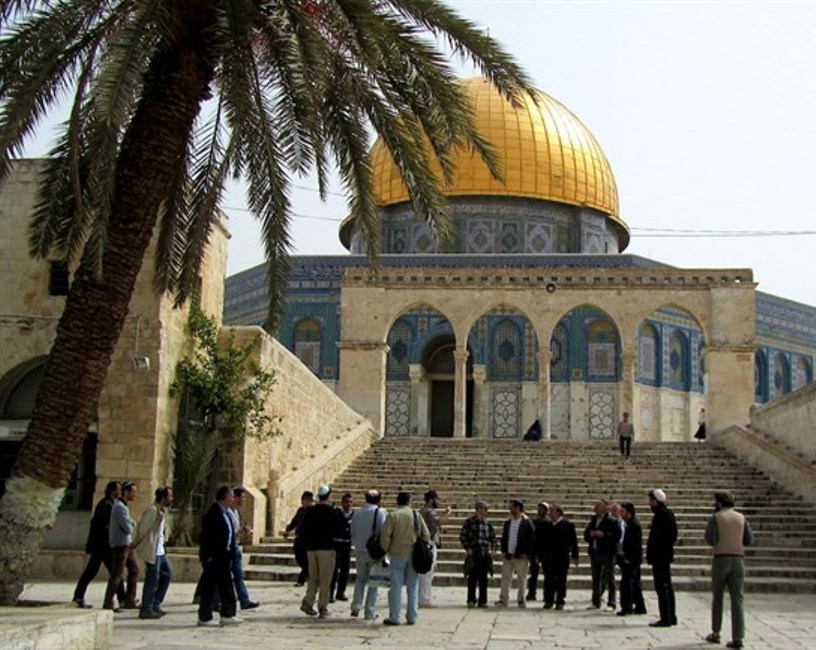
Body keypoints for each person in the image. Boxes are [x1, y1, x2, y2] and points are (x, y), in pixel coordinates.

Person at [704, 490, 755, 649]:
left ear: (719, 502)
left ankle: (716, 632)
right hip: (738, 559)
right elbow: (749, 539)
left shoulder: (716, 517)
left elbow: (711, 539)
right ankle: (738, 637)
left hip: (721, 559)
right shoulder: (741, 517)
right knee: (738, 599)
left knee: (718, 596)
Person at [72, 481, 126, 608]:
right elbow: (103, 526)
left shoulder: (111, 504)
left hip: (103, 545)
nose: (120, 492)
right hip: (102, 545)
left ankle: (122, 598)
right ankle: (121, 599)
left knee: (106, 572)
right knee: (113, 572)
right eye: (118, 489)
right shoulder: (106, 505)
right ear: (113, 491)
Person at [381, 489, 430, 625]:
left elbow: (385, 536)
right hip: (413, 554)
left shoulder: (393, 515)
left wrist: (387, 549)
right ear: (409, 501)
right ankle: (412, 616)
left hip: (397, 553)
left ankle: (395, 617)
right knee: (412, 586)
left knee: (396, 586)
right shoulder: (416, 515)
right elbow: (426, 535)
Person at [197, 486, 241, 627]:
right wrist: (208, 556)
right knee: (210, 587)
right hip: (214, 557)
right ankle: (205, 616)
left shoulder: (226, 513)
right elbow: (207, 537)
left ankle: (228, 614)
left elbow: (229, 534)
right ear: (225, 497)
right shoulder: (213, 514)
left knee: (226, 585)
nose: (233, 499)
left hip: (224, 556)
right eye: (231, 496)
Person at [298, 484, 339, 618]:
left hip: (311, 549)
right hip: (326, 548)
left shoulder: (310, 511)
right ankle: (323, 607)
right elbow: (337, 529)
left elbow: (303, 529)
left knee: (313, 578)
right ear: (328, 496)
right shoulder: (332, 511)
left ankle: (308, 602)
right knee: (325, 580)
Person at [133, 486, 173, 619]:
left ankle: (155, 603)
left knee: (166, 574)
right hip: (153, 550)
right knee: (152, 579)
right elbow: (143, 529)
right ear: (163, 497)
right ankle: (146, 608)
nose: (171, 499)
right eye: (169, 496)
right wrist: (136, 544)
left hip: (160, 550)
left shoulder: (161, 511)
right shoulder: (152, 511)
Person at [349, 489, 388, 620]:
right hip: (374, 552)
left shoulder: (358, 513)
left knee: (360, 579)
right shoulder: (380, 512)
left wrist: (357, 545)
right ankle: (370, 610)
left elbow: (352, 531)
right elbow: (383, 531)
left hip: (360, 550)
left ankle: (356, 605)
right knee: (374, 582)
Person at [103, 480, 140, 611]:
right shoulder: (119, 507)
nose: (134, 495)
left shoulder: (123, 507)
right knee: (117, 574)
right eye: (132, 492)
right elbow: (128, 528)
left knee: (134, 570)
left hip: (127, 544)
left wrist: (131, 523)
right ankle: (108, 602)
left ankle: (129, 599)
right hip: (121, 545)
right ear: (126, 492)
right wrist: (132, 524)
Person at [647, 488, 678, 628]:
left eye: (650, 500)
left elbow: (657, 537)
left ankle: (665, 617)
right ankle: (671, 616)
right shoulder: (668, 513)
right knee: (667, 585)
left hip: (660, 556)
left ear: (656, 501)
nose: (649, 504)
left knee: (661, 586)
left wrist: (654, 552)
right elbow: (673, 535)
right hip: (665, 555)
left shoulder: (660, 515)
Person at [497, 498, 535, 608]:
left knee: (521, 579)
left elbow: (532, 539)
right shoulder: (508, 522)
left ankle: (521, 600)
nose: (510, 508)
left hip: (521, 556)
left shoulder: (527, 522)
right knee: (505, 578)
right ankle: (503, 599)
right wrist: (504, 550)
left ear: (518, 507)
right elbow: (504, 537)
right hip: (509, 555)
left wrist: (527, 553)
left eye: (512, 506)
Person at [583, 499, 620, 611]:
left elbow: (616, 536)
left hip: (607, 553)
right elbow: (586, 534)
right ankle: (596, 601)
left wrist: (604, 535)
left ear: (604, 508)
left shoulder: (612, 521)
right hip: (595, 551)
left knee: (609, 578)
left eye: (598, 506)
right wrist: (590, 534)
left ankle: (611, 603)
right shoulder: (594, 520)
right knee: (596, 578)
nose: (595, 507)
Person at [459, 500, 496, 608]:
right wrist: (467, 548)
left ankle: (482, 600)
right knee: (472, 578)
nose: (486, 511)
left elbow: (493, 538)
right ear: (479, 509)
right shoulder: (469, 522)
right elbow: (463, 536)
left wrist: (493, 549)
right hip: (473, 552)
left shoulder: (488, 523)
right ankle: (471, 599)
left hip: (484, 553)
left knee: (484, 578)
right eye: (484, 509)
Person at [418, 489, 451, 607]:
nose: (438, 502)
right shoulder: (430, 512)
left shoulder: (421, 511)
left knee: (424, 574)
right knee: (427, 573)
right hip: (429, 544)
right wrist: (448, 513)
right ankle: (425, 599)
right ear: (431, 500)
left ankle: (421, 597)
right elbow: (440, 521)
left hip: (422, 544)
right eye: (436, 499)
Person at [542, 503, 578, 610]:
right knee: (548, 579)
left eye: (552, 511)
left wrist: (575, 555)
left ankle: (560, 600)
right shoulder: (546, 525)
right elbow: (540, 541)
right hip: (548, 558)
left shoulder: (568, 525)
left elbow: (573, 542)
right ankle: (548, 600)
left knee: (561, 579)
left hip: (562, 557)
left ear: (558, 512)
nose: (549, 513)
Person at [230, 487, 259, 610]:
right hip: (229, 548)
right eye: (242, 498)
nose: (243, 500)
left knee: (238, 575)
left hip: (235, 546)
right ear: (235, 498)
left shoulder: (236, 512)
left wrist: (243, 529)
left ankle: (244, 600)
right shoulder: (228, 512)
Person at [617, 502, 647, 616]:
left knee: (627, 583)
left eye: (623, 511)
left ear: (629, 513)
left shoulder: (633, 525)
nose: (621, 513)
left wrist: (628, 558)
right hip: (633, 558)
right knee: (635, 584)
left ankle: (627, 607)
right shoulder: (629, 524)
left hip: (632, 559)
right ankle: (640, 606)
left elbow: (635, 544)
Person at [284, 490, 314, 586]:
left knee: (305, 560)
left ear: (309, 501)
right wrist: (288, 530)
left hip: (309, 539)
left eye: (304, 500)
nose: (302, 502)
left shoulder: (313, 512)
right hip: (300, 538)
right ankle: (310, 575)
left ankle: (301, 579)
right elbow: (294, 521)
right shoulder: (300, 510)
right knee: (299, 558)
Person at [331, 492, 354, 603]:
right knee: (334, 570)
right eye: (346, 502)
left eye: (350, 502)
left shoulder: (354, 515)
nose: (348, 504)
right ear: (342, 502)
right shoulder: (336, 513)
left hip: (346, 544)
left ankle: (340, 592)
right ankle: (330, 593)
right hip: (336, 544)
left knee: (345, 570)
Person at [526, 501, 551, 601]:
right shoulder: (534, 522)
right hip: (535, 552)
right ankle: (532, 593)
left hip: (546, 552)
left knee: (547, 575)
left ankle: (547, 595)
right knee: (533, 574)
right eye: (539, 509)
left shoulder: (549, 523)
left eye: (542, 509)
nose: (540, 511)